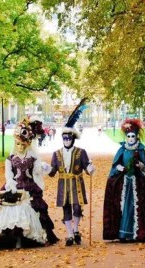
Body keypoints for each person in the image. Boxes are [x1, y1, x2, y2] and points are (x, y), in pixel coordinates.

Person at [0, 117, 59, 249]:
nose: (20, 147)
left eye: (23, 144)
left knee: (31, 209)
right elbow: (8, 175)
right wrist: (11, 185)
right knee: (7, 210)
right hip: (14, 186)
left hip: (29, 186)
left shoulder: (32, 158)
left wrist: (45, 168)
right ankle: (10, 239)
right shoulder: (10, 159)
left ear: (28, 143)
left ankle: (26, 238)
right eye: (18, 144)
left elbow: (37, 172)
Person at [103, 118, 145, 242]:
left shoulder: (140, 150)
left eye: (133, 136)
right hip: (124, 183)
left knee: (136, 207)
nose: (131, 139)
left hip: (137, 183)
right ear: (126, 137)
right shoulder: (122, 149)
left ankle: (138, 233)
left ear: (136, 136)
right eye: (128, 136)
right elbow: (115, 164)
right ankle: (123, 233)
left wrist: (141, 166)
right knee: (123, 206)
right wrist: (119, 167)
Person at [47, 98, 94, 246]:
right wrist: (46, 169)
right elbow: (53, 172)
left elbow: (87, 167)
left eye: (69, 138)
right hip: (63, 184)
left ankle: (75, 230)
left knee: (77, 207)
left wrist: (90, 169)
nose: (66, 140)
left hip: (76, 183)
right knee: (66, 209)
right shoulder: (56, 154)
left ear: (73, 138)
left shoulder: (81, 152)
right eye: (64, 138)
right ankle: (69, 235)